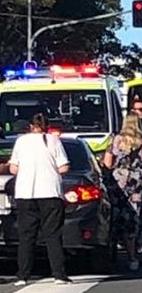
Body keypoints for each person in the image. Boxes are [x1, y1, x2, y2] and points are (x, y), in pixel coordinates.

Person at [8, 113, 71, 286]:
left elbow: (13, 168)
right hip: (50, 192)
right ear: (46, 126)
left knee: (26, 236)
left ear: (30, 126)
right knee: (53, 235)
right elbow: (63, 167)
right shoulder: (53, 140)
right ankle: (58, 273)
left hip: (26, 193)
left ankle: (22, 274)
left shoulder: (21, 141)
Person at [103, 114, 142, 271]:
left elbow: (107, 163)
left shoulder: (115, 140)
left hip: (117, 186)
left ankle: (111, 254)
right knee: (132, 221)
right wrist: (139, 170)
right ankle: (133, 257)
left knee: (114, 219)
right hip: (136, 186)